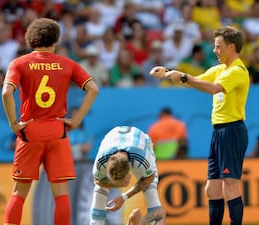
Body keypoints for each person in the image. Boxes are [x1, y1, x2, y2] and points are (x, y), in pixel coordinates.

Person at [1, 18, 99, 225]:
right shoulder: (68, 64)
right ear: (55, 39)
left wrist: (13, 124)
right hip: (57, 130)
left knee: (19, 192)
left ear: (31, 39)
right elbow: (93, 89)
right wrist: (76, 120)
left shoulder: (20, 63)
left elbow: (6, 93)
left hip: (30, 131)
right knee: (61, 194)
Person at [150, 26, 249, 225]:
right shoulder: (220, 69)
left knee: (230, 185)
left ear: (231, 47)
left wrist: (183, 77)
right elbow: (195, 81)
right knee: (211, 190)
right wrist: (169, 72)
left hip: (231, 130)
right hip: (219, 131)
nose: (214, 50)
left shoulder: (238, 71)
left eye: (218, 46)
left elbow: (212, 88)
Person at [90, 125, 166, 225]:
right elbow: (96, 179)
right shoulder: (102, 161)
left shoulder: (142, 160)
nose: (121, 186)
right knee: (100, 188)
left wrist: (124, 196)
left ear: (130, 166)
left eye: (122, 183)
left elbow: (149, 178)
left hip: (140, 143)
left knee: (151, 190)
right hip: (113, 138)